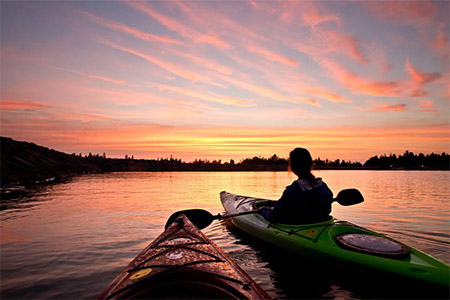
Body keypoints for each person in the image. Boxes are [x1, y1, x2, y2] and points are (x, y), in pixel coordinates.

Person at [258, 148, 333, 224]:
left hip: (300, 227)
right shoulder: (323, 187)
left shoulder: (293, 191)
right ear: (311, 164)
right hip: (321, 223)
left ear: (292, 167)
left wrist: (263, 210)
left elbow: (273, 216)